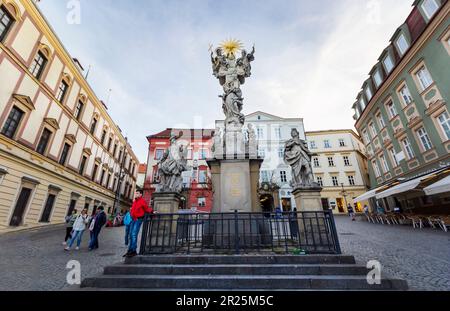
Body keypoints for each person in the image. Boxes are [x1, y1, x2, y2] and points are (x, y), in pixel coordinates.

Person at [123, 190, 153, 258]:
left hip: (138, 219)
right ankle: (130, 250)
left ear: (141, 194)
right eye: (135, 193)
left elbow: (146, 208)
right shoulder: (135, 201)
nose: (136, 194)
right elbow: (132, 210)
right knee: (130, 234)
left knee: (133, 234)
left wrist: (152, 211)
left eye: (137, 193)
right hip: (133, 219)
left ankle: (133, 251)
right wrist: (131, 215)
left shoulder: (142, 201)